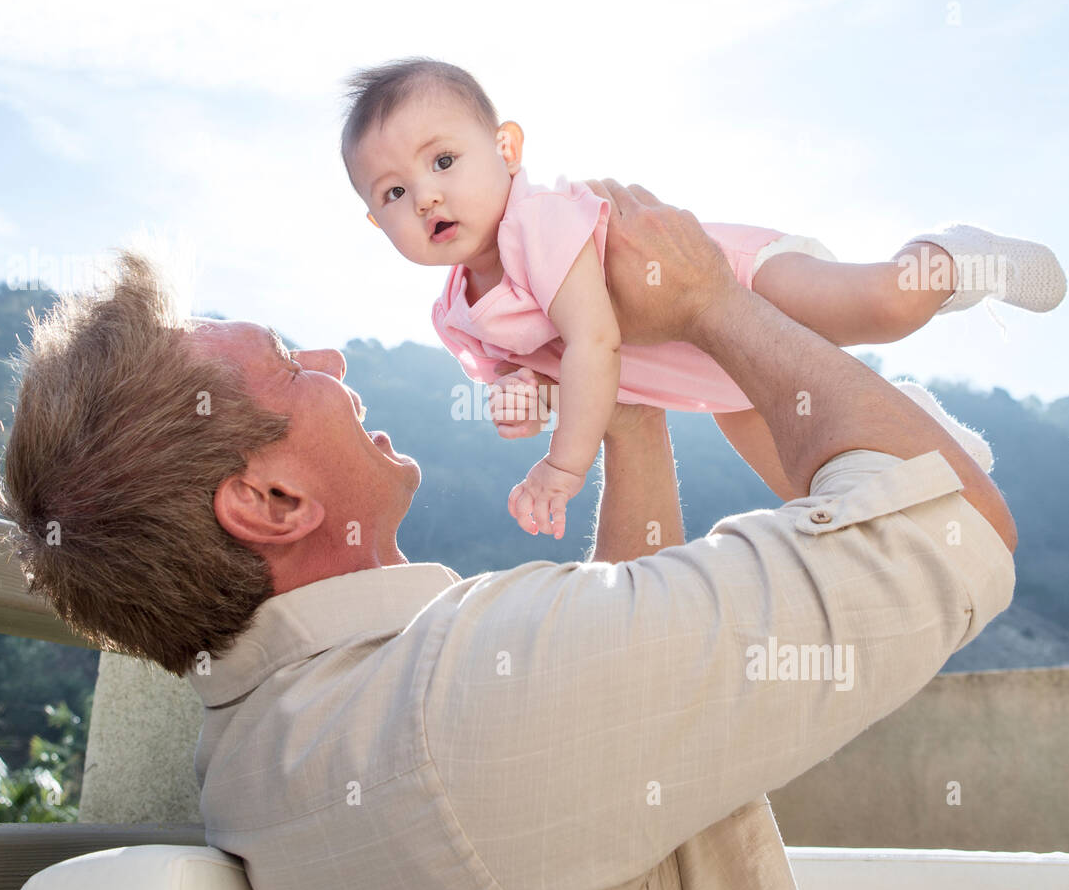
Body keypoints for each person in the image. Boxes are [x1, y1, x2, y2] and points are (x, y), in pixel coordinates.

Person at [0, 182, 1017, 890]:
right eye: (294, 367)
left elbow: (610, 706)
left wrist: (627, 405)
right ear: (273, 504)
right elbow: (957, 525)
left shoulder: (260, 751)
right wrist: (707, 305)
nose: (336, 361)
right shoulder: (458, 702)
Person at [341, 57, 1064, 538]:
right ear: (378, 224)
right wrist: (522, 398)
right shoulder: (455, 312)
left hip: (730, 284)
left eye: (442, 160)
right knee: (820, 489)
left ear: (505, 150)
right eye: (396, 192)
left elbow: (592, 341)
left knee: (885, 306)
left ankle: (950, 257)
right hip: (709, 377)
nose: (426, 193)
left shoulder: (539, 220)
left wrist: (563, 467)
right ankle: (917, 425)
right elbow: (541, 374)